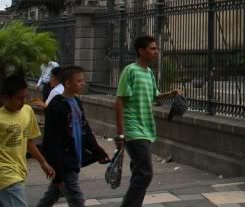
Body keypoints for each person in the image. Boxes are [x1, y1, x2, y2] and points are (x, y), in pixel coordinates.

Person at [114, 36, 181, 207]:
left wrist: (171, 94)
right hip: (133, 128)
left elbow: (155, 95)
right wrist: (120, 133)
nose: (156, 52)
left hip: (146, 128)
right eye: (152, 49)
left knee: (139, 172)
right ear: (141, 51)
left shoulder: (149, 73)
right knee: (145, 173)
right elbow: (119, 101)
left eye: (156, 48)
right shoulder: (130, 71)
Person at [38, 66, 110, 207]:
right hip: (64, 161)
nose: (83, 83)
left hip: (74, 157)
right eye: (79, 81)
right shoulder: (56, 106)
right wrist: (57, 171)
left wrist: (97, 151)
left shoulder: (77, 102)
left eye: (83, 80)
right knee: (77, 199)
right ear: (68, 83)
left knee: (53, 194)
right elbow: (52, 140)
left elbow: (85, 129)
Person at [0, 74, 54, 207]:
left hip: (20, 170)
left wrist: (43, 162)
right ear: (5, 98)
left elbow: (29, 142)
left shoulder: (27, 111)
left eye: (25, 97)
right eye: (19, 98)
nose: (23, 102)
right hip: (6, 175)